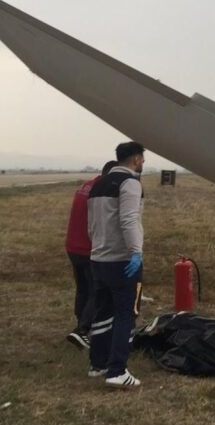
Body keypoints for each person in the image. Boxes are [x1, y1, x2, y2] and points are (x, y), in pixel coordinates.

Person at [87, 141, 146, 388]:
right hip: (122, 261)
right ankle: (117, 371)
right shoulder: (130, 183)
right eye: (142, 158)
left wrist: (97, 246)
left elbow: (91, 224)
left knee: (102, 312)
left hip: (98, 258)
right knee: (125, 314)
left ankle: (97, 364)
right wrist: (136, 252)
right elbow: (130, 219)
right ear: (135, 159)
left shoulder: (98, 184)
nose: (143, 162)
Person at [65, 160, 117, 350]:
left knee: (83, 288)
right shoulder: (102, 191)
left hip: (73, 246)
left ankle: (80, 326)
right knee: (98, 290)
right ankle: (82, 330)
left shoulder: (85, 186)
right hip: (89, 248)